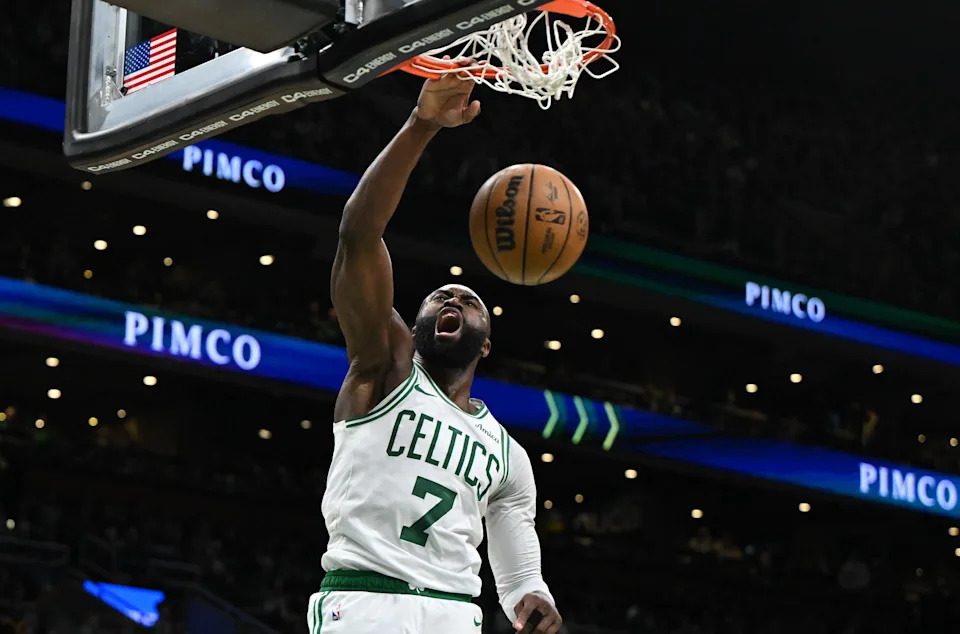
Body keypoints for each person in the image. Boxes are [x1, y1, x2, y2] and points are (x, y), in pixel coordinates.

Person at [308, 75, 561, 634]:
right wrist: (421, 126)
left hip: (455, 614)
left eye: (469, 301)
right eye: (439, 297)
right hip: (367, 601)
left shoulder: (507, 454)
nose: (453, 298)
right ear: (415, 328)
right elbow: (358, 235)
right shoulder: (383, 369)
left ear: (485, 342)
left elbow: (518, 565)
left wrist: (530, 598)